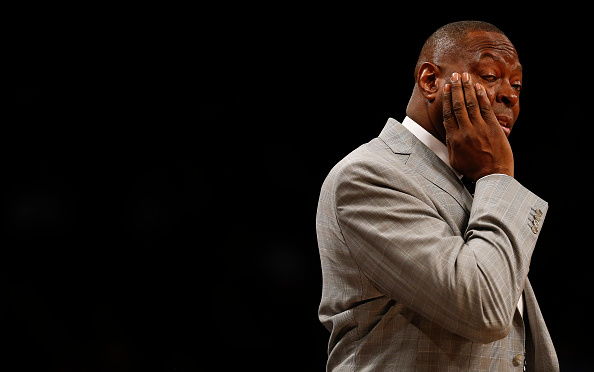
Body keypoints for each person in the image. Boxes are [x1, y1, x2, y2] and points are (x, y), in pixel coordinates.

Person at [316, 21, 559, 371]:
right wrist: (498, 174)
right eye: (491, 76)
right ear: (430, 81)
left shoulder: (471, 179)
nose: (510, 94)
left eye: (517, 84)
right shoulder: (368, 175)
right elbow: (483, 309)